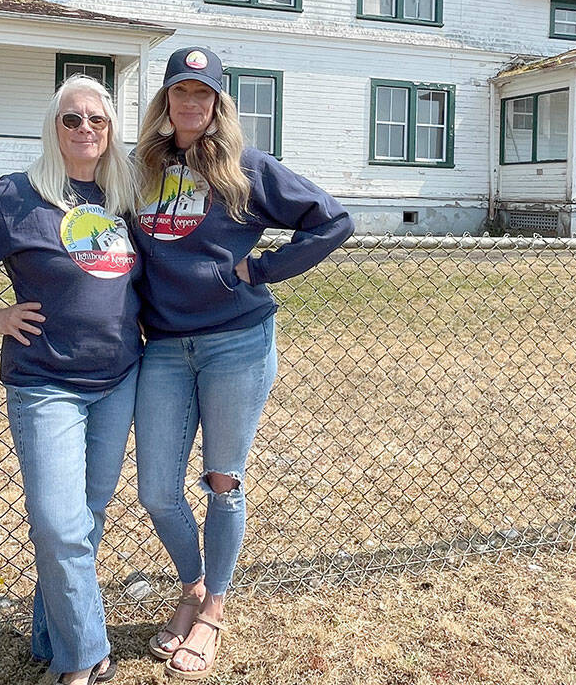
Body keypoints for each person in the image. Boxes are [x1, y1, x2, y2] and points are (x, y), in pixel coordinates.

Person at [132, 46, 354, 680]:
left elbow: (332, 221)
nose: (191, 104)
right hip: (166, 347)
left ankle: (212, 610)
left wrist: (259, 267)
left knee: (223, 480)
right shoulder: (142, 169)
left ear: (218, 103)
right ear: (166, 100)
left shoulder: (246, 167)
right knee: (156, 490)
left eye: (204, 94)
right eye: (181, 92)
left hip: (237, 342)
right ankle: (194, 583)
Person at [0, 74, 140, 685]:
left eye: (97, 118)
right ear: (54, 126)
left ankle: (50, 637)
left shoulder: (124, 194)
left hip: (119, 378)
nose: (86, 129)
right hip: (46, 383)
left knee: (82, 522)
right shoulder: (17, 196)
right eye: (73, 119)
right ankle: (86, 657)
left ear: (111, 127)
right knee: (59, 524)